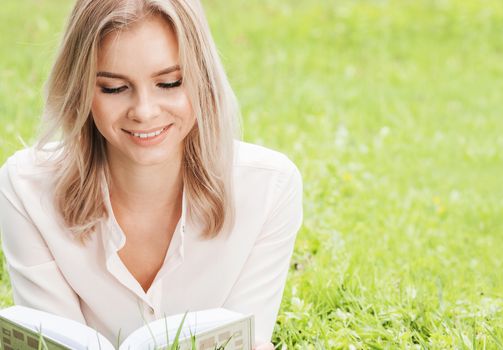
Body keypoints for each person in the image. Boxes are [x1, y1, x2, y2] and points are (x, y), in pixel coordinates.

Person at [0, 0, 302, 348]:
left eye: (170, 83)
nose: (144, 112)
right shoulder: (26, 190)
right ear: (80, 89)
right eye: (113, 88)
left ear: (203, 79)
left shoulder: (268, 188)